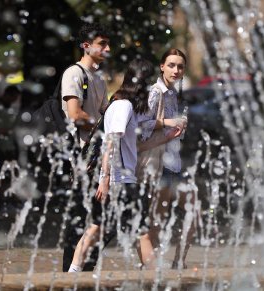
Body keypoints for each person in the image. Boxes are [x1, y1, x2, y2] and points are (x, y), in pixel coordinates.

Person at [68, 58, 182, 272]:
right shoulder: (123, 106)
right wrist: (105, 179)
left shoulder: (123, 105)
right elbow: (111, 141)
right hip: (120, 180)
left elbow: (134, 147)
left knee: (97, 228)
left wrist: (166, 138)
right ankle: (154, 278)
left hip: (119, 179)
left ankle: (73, 272)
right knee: (137, 231)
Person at [138, 48, 196, 270]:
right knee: (157, 223)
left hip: (174, 164)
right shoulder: (156, 92)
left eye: (180, 66)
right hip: (159, 165)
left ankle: (178, 263)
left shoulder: (173, 93)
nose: (176, 70)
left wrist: (178, 128)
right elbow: (142, 125)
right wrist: (170, 123)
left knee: (193, 212)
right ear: (162, 66)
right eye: (171, 65)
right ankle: (149, 269)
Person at [61, 22, 111, 272]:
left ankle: (86, 270)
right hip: (79, 158)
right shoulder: (74, 73)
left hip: (97, 157)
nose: (107, 48)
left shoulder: (99, 79)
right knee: (79, 220)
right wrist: (100, 123)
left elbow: (104, 113)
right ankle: (68, 277)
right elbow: (74, 114)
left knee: (102, 218)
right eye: (102, 44)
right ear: (86, 45)